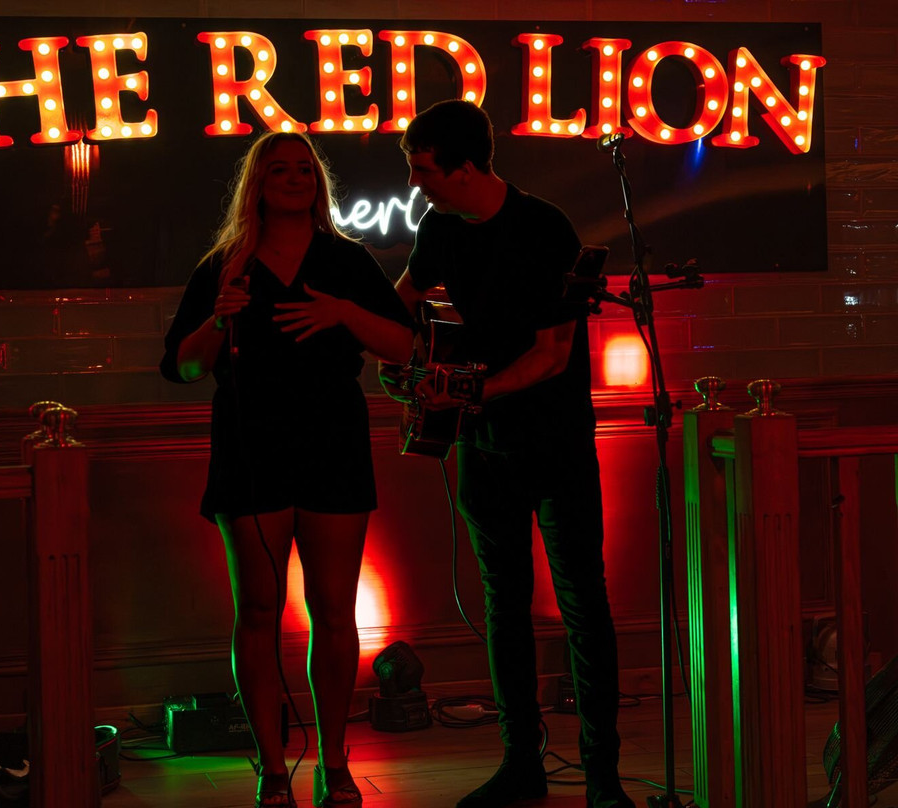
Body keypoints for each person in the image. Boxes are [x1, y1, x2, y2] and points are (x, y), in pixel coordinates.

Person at [390, 100, 634, 808]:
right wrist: (397, 359)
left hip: (554, 440)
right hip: (484, 443)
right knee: (504, 605)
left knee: (582, 601)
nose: (417, 184)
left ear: (466, 168)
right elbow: (401, 300)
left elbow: (552, 356)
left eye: (425, 170)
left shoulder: (544, 228)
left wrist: (469, 393)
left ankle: (603, 776)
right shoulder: (439, 227)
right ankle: (521, 763)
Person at [160, 131, 415, 808]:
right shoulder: (225, 265)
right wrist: (218, 320)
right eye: (281, 169)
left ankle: (334, 761)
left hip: (332, 442)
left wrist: (344, 312)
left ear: (319, 183)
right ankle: (273, 768)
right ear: (258, 184)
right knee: (258, 609)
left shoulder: (346, 260)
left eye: (306, 169)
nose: (297, 178)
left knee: (333, 609)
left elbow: (404, 345)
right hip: (252, 445)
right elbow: (183, 367)